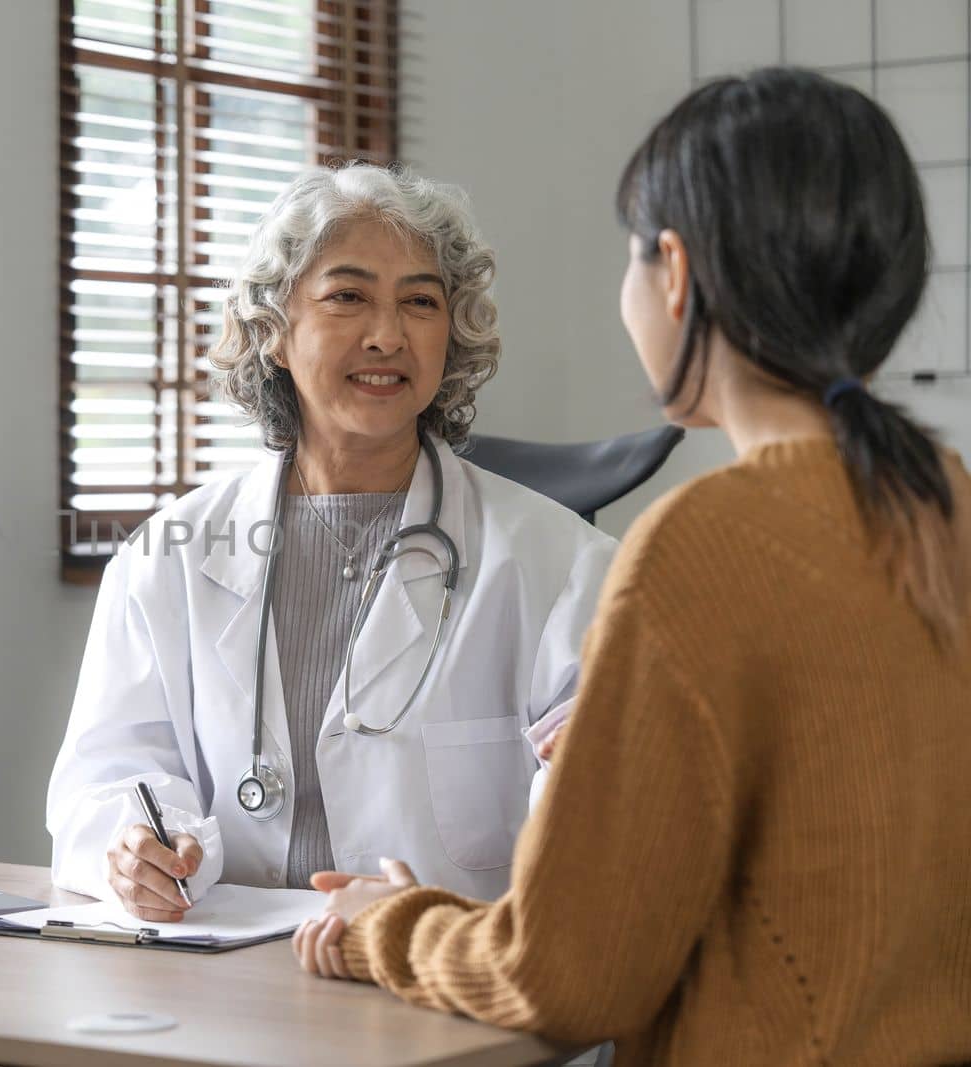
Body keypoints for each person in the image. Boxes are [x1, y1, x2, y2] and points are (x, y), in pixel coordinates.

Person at [292, 69, 971, 1066]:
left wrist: (386, 921)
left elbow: (564, 974)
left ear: (677, 272)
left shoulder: (705, 542)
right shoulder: (940, 502)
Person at [46, 163, 617, 925]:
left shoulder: (561, 561)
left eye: (420, 301)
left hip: (442, 988)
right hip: (229, 989)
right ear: (274, 332)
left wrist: (592, 770)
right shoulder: (169, 555)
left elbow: (606, 800)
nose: (388, 335)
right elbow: (106, 774)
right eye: (348, 297)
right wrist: (138, 844)